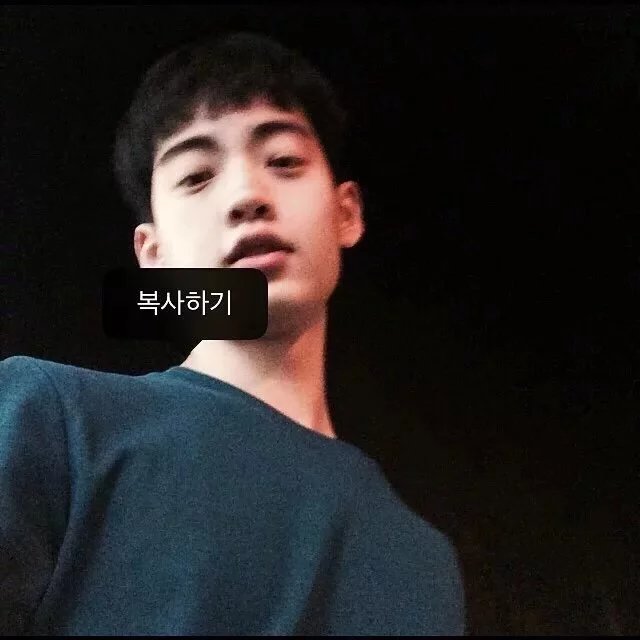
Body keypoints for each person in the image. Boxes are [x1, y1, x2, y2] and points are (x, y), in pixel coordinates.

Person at [0, 31, 465, 635]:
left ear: (346, 212)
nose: (247, 195)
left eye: (284, 161)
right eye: (197, 176)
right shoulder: (47, 421)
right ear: (153, 254)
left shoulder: (425, 564)